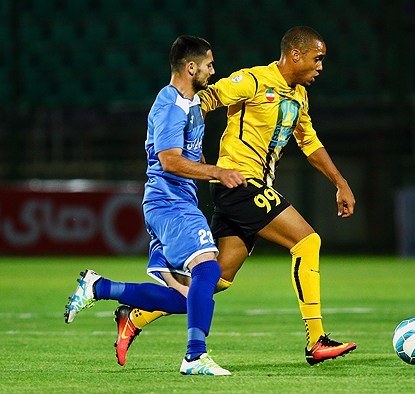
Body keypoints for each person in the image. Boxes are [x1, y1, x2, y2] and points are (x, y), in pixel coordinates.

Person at [114, 25, 357, 367]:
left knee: (214, 279)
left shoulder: (299, 95)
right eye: (317, 59)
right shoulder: (252, 81)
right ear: (296, 54)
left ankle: (134, 317)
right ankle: (316, 339)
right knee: (307, 241)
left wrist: (339, 181)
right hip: (238, 183)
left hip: (251, 185)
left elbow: (309, 142)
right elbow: (205, 98)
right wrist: (191, 154)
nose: (321, 67)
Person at [64, 35, 246, 376]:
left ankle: (99, 287)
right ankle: (195, 356)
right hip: (170, 202)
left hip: (176, 202)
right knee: (209, 270)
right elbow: (169, 161)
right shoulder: (169, 104)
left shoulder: (191, 104)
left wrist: (216, 175)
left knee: (186, 298)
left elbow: (191, 154)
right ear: (191, 67)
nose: (213, 70)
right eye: (209, 64)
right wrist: (218, 172)